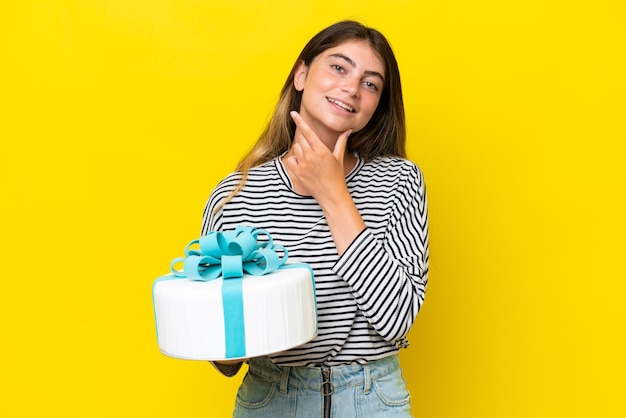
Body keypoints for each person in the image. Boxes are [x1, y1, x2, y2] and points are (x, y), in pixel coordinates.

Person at [201, 20, 429, 417]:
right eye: (339, 68)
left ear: (377, 105)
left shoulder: (399, 181)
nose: (352, 88)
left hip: (371, 399)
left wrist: (332, 192)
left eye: (371, 83)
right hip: (271, 399)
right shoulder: (235, 195)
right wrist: (222, 336)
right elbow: (224, 355)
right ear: (302, 74)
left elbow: (397, 319)